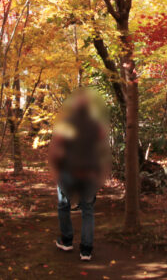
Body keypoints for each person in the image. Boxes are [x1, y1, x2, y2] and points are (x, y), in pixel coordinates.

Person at [48, 89, 109, 261]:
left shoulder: (66, 124)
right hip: (89, 173)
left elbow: (58, 150)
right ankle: (86, 250)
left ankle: (67, 241)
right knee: (88, 211)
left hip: (68, 172)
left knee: (63, 206)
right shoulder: (96, 126)